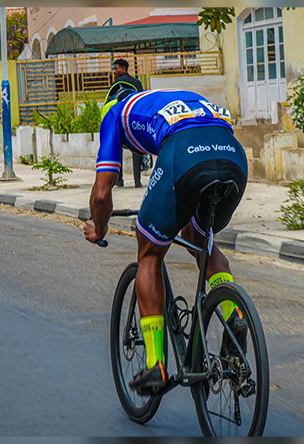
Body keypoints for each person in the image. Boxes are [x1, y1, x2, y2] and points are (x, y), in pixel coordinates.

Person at [84, 88, 248, 395]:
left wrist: (99, 228)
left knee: (149, 250)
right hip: (233, 157)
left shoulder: (114, 114)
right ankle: (233, 315)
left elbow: (102, 193)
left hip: (183, 155)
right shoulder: (177, 98)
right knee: (200, 238)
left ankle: (155, 363)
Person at [107, 58, 144, 188]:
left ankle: (119, 180)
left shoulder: (116, 84)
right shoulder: (137, 82)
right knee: (136, 149)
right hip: (134, 118)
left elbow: (111, 102)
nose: (115, 71)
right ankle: (137, 181)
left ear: (123, 68)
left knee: (117, 148)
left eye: (116, 68)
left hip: (120, 119)